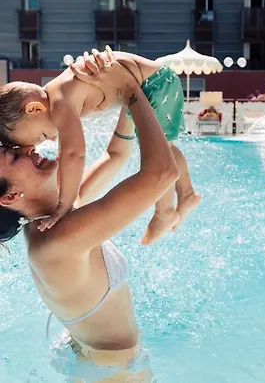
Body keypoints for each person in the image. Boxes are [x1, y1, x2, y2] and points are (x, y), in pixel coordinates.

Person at [0, 54, 178, 381]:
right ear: (10, 196)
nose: (27, 148)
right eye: (14, 156)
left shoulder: (57, 216)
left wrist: (121, 86)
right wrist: (130, 88)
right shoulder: (57, 240)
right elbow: (162, 174)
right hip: (112, 371)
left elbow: (116, 155)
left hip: (86, 352)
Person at [0, 46, 201, 245]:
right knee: (165, 146)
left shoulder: (60, 102)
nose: (52, 139)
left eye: (43, 135)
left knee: (160, 149)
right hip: (154, 81)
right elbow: (71, 152)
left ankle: (165, 211)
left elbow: (73, 153)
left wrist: (65, 204)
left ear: (34, 109)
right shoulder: (60, 93)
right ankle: (186, 193)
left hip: (152, 85)